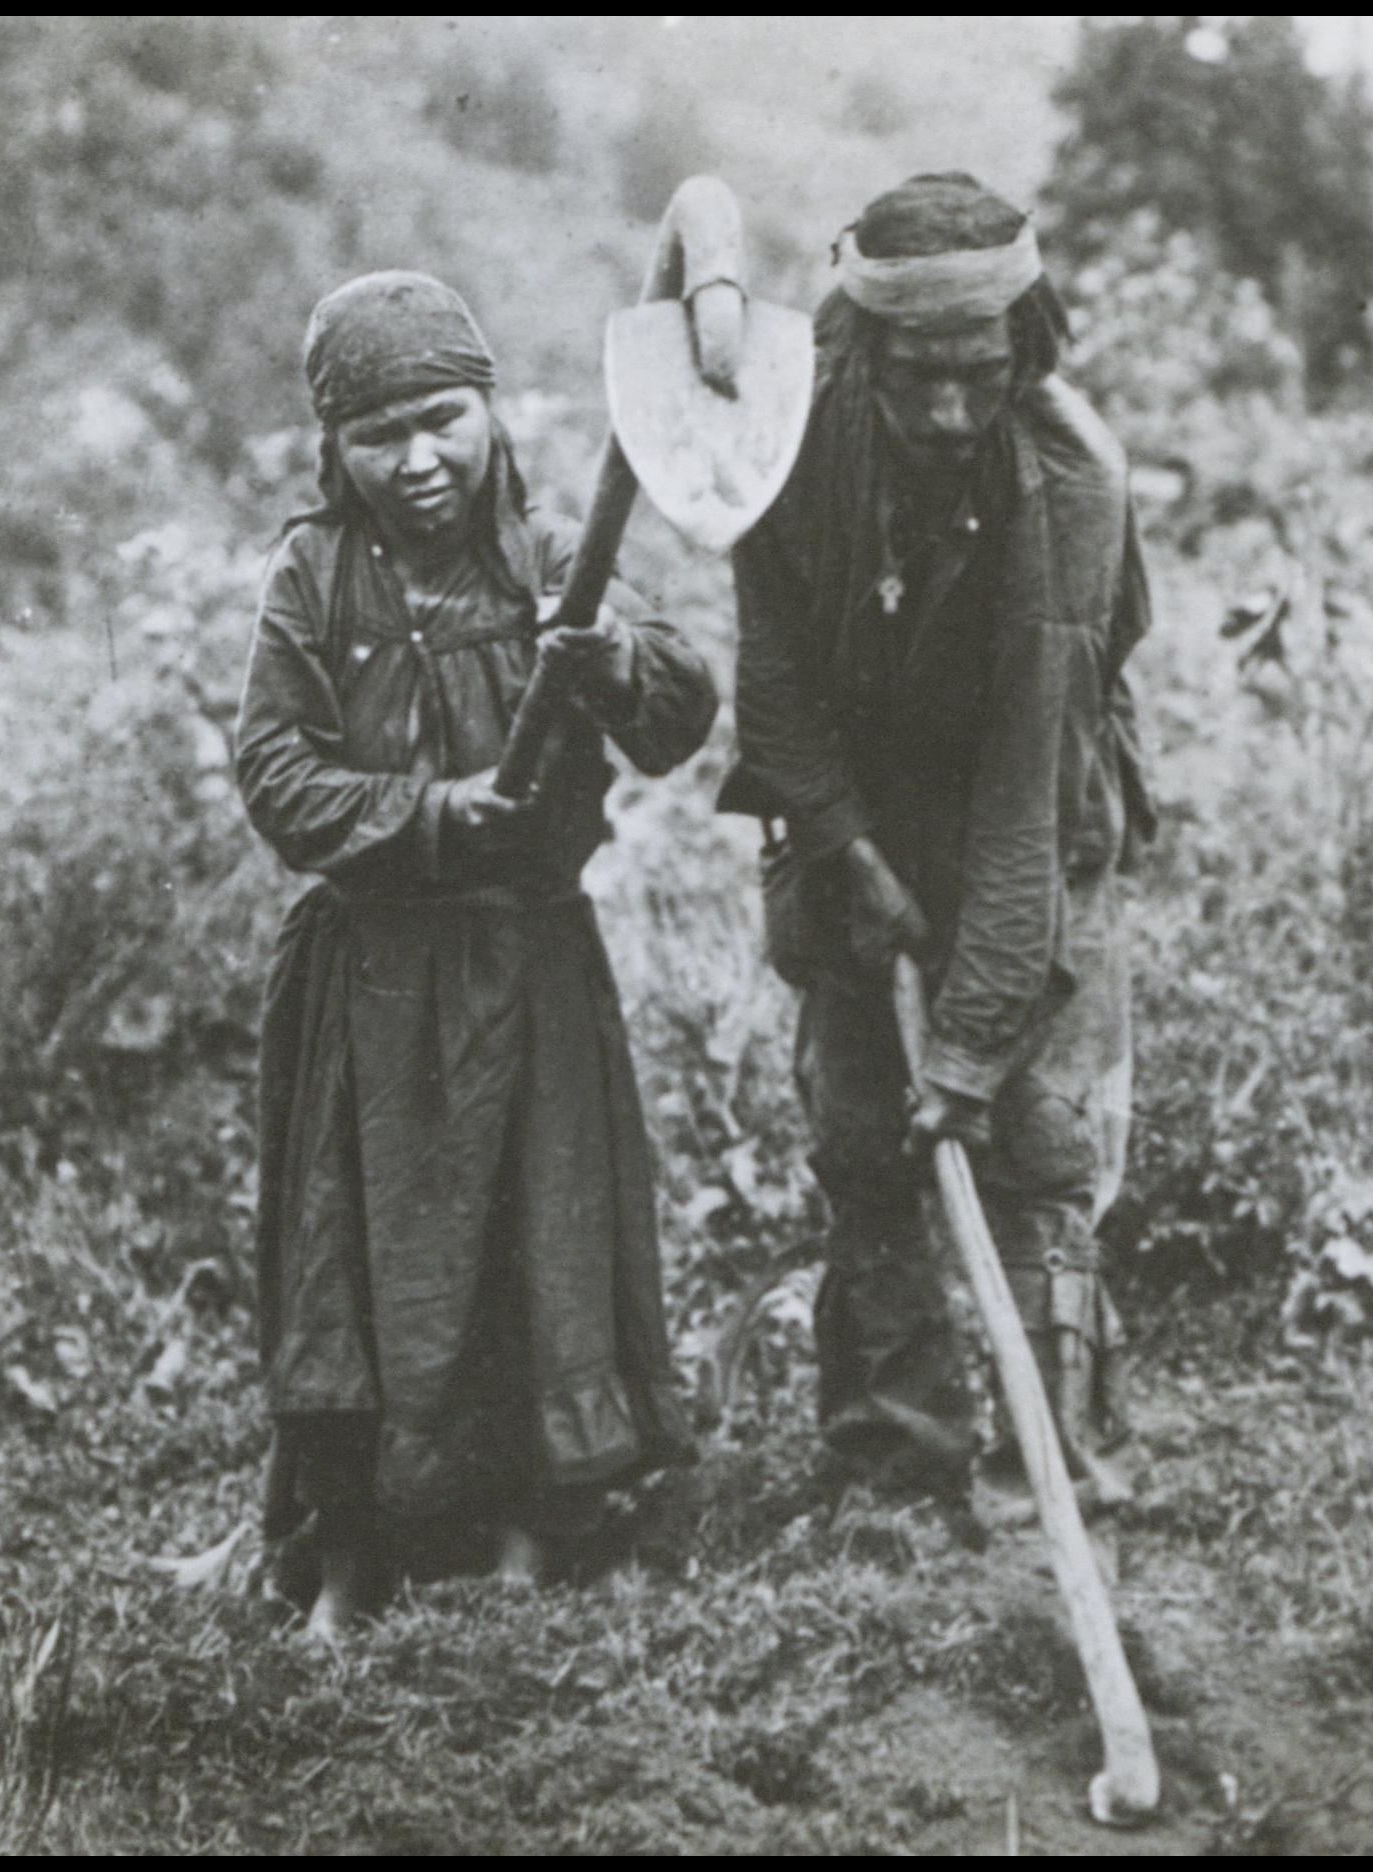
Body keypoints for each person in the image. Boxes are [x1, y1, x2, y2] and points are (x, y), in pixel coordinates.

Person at [236, 271, 711, 1639]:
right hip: (370, 981)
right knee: (360, 1258)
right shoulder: (310, 576)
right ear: (334, 449)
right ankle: (354, 1558)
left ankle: (523, 1533)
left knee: (531, 1239)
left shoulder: (559, 554)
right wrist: (434, 812)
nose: (417, 460)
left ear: (489, 414)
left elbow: (680, 712)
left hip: (528, 964)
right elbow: (276, 773)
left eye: (442, 420)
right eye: (377, 434)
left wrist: (610, 658)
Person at [719, 174, 1157, 1509]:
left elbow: (1028, 797)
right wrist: (844, 848)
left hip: (1035, 790)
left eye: (980, 374)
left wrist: (965, 1049)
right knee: (862, 1135)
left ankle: (1060, 1458)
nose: (950, 411)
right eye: (918, 377)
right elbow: (776, 678)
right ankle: (897, 1454)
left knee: (1029, 1134)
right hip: (851, 791)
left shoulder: (1068, 483)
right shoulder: (784, 436)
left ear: (1021, 349)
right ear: (864, 354)